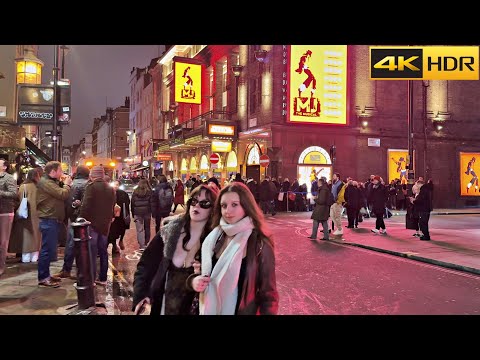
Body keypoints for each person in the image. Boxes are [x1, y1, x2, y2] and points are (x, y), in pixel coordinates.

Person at [190, 181, 279, 315]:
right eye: (224, 206)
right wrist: (193, 281)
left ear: (246, 206)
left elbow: (269, 294)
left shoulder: (260, 243)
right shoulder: (213, 238)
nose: (228, 211)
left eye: (234, 205)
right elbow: (201, 274)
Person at [132, 184, 219, 315]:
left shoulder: (216, 239)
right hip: (164, 305)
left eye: (204, 203)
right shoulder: (170, 232)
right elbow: (145, 265)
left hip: (196, 307)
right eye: (193, 201)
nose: (196, 206)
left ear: (213, 209)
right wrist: (141, 295)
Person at [36, 161, 73, 287]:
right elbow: (62, 194)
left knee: (50, 249)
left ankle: (46, 275)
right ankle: (43, 277)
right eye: (60, 170)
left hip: (52, 218)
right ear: (53, 171)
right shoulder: (46, 182)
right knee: (46, 250)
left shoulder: (51, 182)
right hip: (48, 219)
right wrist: (67, 185)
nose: (62, 173)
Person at [78, 165, 116, 286]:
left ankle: (92, 278)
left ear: (93, 175)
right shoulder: (110, 188)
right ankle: (103, 278)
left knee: (92, 252)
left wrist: (81, 217)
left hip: (92, 224)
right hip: (105, 224)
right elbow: (112, 205)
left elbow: (86, 205)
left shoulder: (91, 187)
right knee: (103, 251)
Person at [54, 165, 90, 279]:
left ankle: (66, 269)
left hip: (71, 217)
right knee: (83, 246)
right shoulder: (88, 184)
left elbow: (66, 200)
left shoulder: (72, 184)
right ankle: (82, 272)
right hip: (83, 218)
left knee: (71, 244)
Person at [8, 168, 43, 263]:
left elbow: (18, 199)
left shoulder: (24, 186)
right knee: (37, 236)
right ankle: (35, 257)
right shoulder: (39, 187)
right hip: (38, 214)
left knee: (26, 236)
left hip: (26, 214)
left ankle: (26, 258)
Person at [0, 159, 18, 277]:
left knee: (2, 241)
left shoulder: (8, 178)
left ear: (4, 167)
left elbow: (14, 193)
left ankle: (1, 266)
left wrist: (0, 192)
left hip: (5, 212)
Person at [108, 180, 130, 254]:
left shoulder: (122, 193)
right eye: (114, 184)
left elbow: (127, 203)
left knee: (120, 229)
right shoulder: (109, 193)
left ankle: (119, 241)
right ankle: (115, 245)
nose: (115, 186)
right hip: (114, 216)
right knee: (114, 231)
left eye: (117, 185)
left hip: (120, 216)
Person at [131, 179, 153, 250]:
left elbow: (132, 203)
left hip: (137, 213)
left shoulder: (135, 191)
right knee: (147, 228)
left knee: (139, 229)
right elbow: (152, 203)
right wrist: (152, 212)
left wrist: (133, 213)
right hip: (147, 212)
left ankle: (142, 245)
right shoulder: (149, 192)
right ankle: (146, 242)